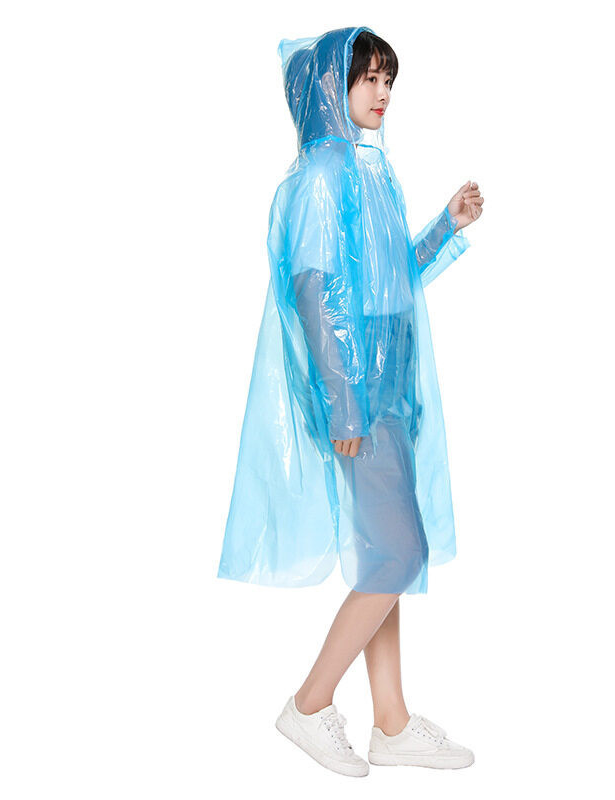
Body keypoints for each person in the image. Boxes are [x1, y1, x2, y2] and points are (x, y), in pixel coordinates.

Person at [218, 27, 484, 776]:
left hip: (384, 391)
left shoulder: (369, 173)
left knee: (383, 555)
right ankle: (308, 705)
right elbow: (315, 292)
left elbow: (393, 279)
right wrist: (345, 404)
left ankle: (390, 721)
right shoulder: (321, 178)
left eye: (388, 80)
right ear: (329, 87)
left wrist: (446, 226)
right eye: (368, 77)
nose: (383, 92)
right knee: (399, 553)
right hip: (358, 396)